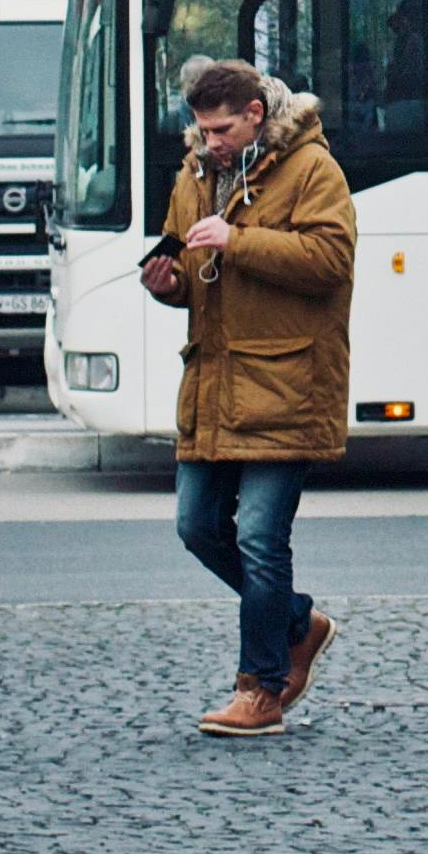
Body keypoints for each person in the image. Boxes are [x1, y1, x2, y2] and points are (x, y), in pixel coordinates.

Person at [151, 58, 359, 740]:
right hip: (214, 384)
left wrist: (237, 241)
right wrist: (167, 282)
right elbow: (190, 267)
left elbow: (331, 261)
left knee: (261, 540)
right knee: (196, 527)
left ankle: (261, 689)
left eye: (220, 129)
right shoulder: (196, 174)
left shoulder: (311, 169)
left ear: (255, 115)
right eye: (200, 129)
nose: (208, 140)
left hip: (288, 385)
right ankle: (299, 623)